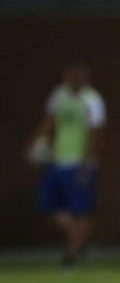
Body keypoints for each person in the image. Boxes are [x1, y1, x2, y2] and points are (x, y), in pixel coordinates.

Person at [25, 64, 105, 268]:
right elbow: (49, 122)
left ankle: (71, 255)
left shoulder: (92, 100)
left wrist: (87, 162)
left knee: (81, 210)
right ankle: (78, 239)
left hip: (78, 162)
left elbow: (96, 132)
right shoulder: (58, 95)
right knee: (49, 206)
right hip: (58, 160)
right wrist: (36, 142)